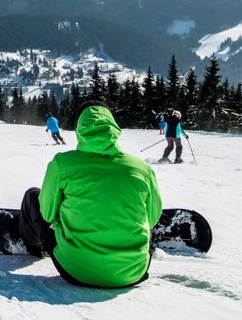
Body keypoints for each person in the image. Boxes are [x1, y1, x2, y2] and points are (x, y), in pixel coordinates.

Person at [18, 101, 162, 288]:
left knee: (33, 196)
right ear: (113, 126)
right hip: (133, 272)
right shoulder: (141, 168)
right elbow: (152, 218)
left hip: (77, 269)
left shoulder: (63, 164)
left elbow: (47, 214)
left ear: (79, 128)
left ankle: (32, 245)